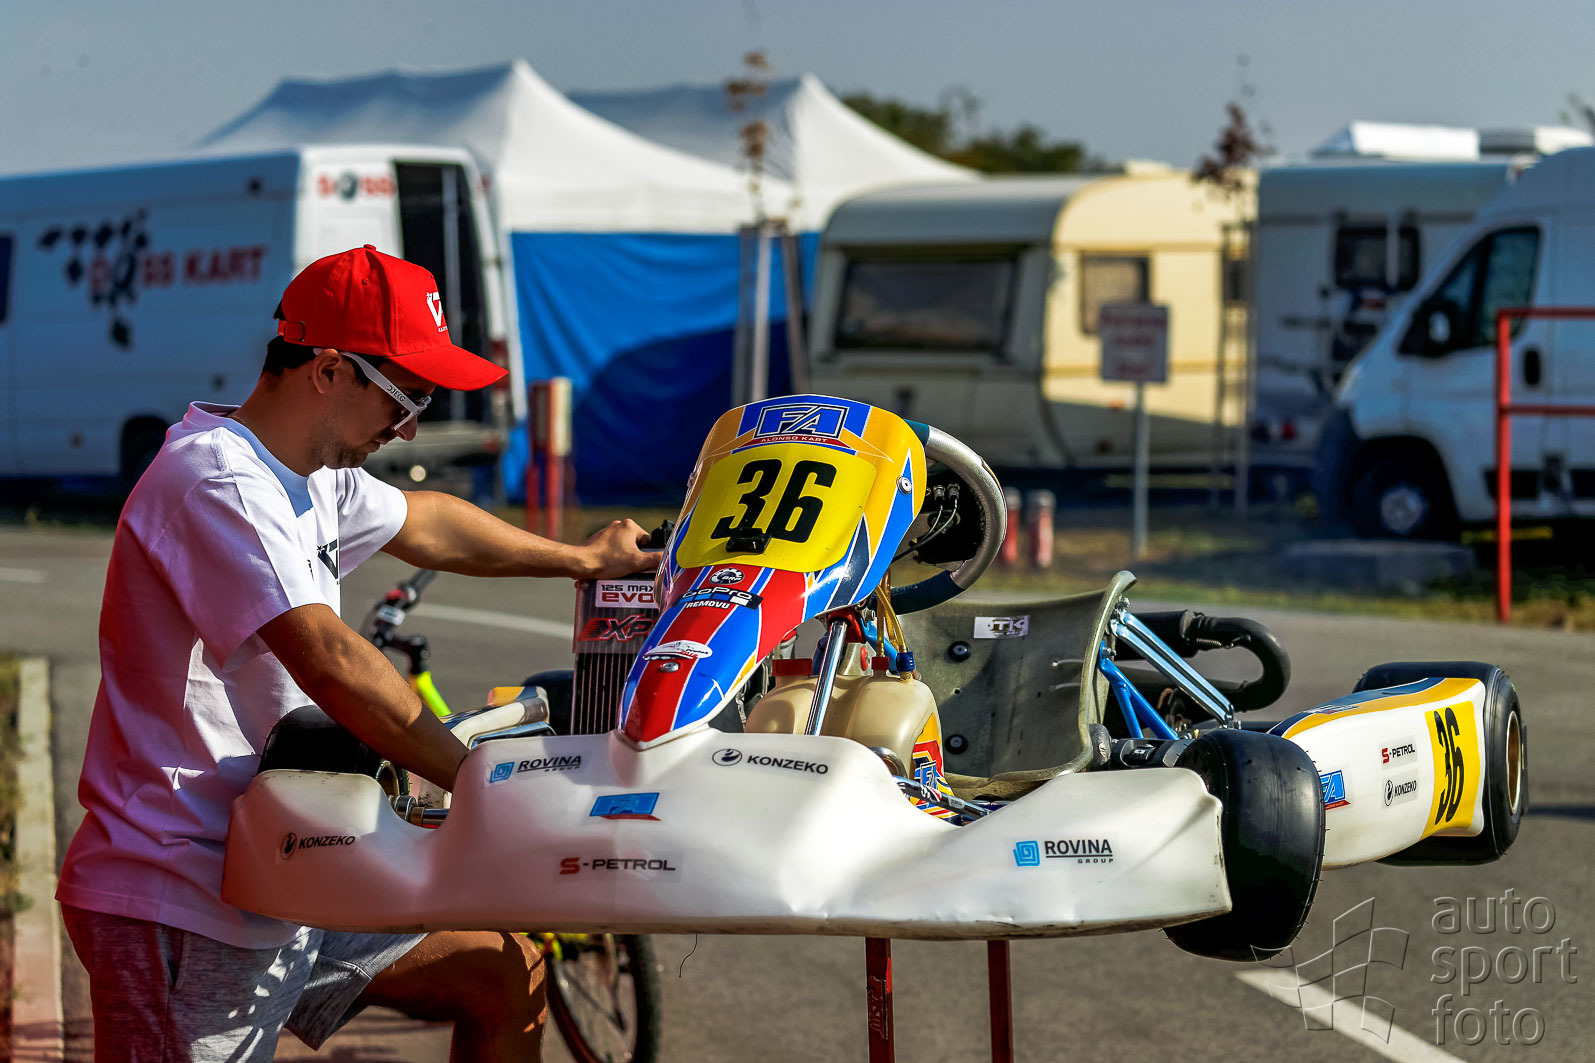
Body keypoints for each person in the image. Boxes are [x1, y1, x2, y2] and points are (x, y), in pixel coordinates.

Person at [56, 245, 656, 1061]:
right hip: (185, 886)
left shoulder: (310, 470)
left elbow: (428, 522)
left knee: (501, 970)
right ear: (330, 370)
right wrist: (479, 782)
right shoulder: (217, 480)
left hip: (292, 853)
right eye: (406, 397)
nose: (409, 427)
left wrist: (581, 558)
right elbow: (330, 660)